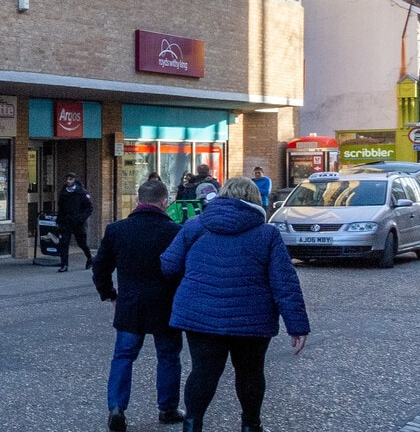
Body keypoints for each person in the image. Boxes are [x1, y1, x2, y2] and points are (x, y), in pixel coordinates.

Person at [161, 176, 309, 432]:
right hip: (251, 317)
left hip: (200, 315)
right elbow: (284, 282)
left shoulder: (195, 226)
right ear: (254, 200)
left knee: (203, 372)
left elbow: (169, 265)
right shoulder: (267, 234)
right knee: (250, 372)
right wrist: (296, 326)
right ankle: (251, 426)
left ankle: (192, 424)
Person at [94, 176, 186, 430]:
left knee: (123, 356)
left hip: (130, 303)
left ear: (137, 200)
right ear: (165, 202)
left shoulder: (117, 229)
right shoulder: (176, 232)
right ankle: (167, 408)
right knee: (168, 357)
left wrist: (109, 293)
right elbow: (183, 271)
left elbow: (100, 268)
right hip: (165, 305)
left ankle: (116, 407)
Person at [57, 173, 95, 272]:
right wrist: (59, 220)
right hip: (65, 222)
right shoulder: (63, 192)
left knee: (82, 243)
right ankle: (64, 265)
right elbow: (60, 208)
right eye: (67, 179)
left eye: (71, 179)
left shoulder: (82, 192)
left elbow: (89, 208)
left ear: (75, 180)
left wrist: (81, 218)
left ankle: (90, 258)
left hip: (78, 223)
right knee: (64, 243)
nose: (68, 181)